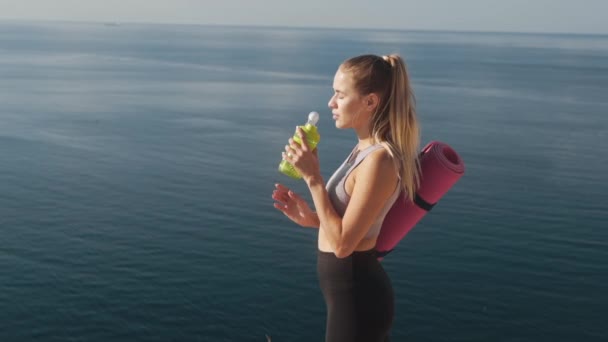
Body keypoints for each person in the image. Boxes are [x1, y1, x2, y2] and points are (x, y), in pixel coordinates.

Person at [272, 53, 421, 342]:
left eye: (340, 95)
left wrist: (313, 178)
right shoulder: (363, 149)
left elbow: (343, 246)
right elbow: (352, 226)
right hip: (348, 297)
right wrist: (313, 219)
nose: (331, 103)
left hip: (358, 298)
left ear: (370, 102)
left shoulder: (380, 160)